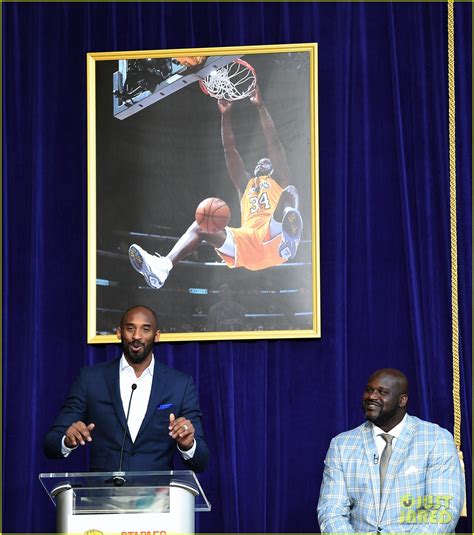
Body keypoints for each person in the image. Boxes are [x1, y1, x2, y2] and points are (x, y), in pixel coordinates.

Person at [128, 85, 303, 290]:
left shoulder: (280, 178)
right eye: (258, 161)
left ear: (273, 167)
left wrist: (260, 107)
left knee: (288, 195)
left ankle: (288, 234)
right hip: (247, 242)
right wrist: (225, 115)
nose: (260, 162)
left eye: (265, 161)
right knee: (202, 224)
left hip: (273, 239)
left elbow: (273, 142)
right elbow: (230, 150)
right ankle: (163, 267)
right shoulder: (244, 185)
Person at [44, 305, 209, 473]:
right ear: (119, 333)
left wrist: (188, 445)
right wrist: (67, 440)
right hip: (103, 494)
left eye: (145, 329)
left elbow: (201, 459)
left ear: (157, 336)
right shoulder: (90, 379)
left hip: (157, 495)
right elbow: (51, 444)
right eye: (130, 328)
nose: (136, 336)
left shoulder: (180, 384)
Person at [317, 368, 464, 533]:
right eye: (368, 390)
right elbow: (331, 511)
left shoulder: (436, 439)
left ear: (402, 400)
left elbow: (443, 511)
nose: (371, 396)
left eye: (382, 392)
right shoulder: (341, 445)